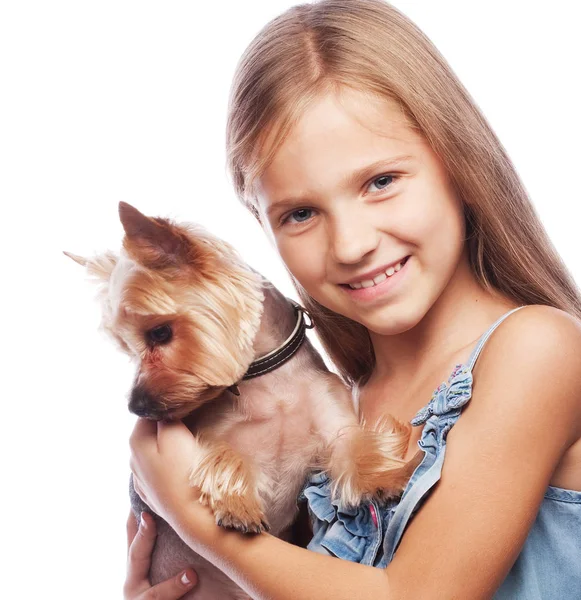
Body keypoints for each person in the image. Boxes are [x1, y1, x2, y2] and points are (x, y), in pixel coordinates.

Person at [124, 0, 581, 598]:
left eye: (380, 182)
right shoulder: (339, 410)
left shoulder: (539, 350)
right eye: (301, 213)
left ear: (457, 160)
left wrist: (198, 519)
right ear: (262, 226)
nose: (352, 244)